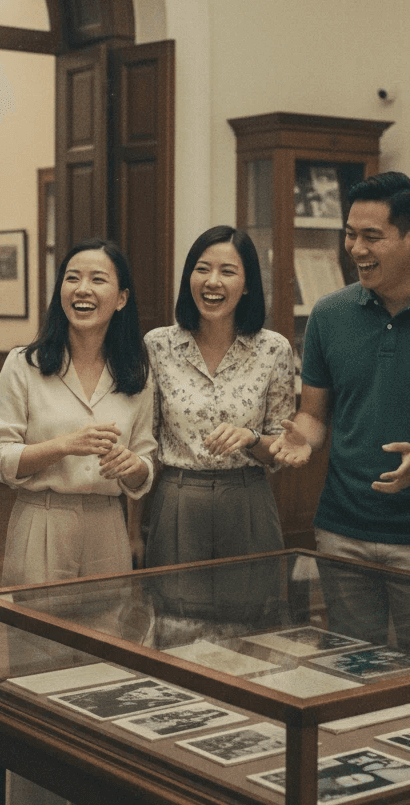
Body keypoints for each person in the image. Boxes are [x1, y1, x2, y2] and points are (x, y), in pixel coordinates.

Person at [271, 172, 410, 650]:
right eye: (349, 234)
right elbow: (314, 415)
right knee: (349, 666)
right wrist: (301, 438)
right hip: (342, 528)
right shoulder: (329, 314)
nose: (356, 248)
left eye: (372, 236)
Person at [0, 237, 156, 805]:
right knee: (38, 671)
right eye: (73, 278)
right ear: (61, 291)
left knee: (106, 669)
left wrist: (134, 467)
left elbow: (146, 462)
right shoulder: (25, 365)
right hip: (43, 520)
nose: (84, 290)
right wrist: (63, 445)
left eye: (99, 280)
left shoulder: (136, 372)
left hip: (108, 526)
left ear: (122, 298)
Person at [129, 225, 294, 581]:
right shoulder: (158, 345)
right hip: (177, 498)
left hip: (248, 499)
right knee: (176, 621)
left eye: (228, 271)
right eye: (202, 269)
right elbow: (143, 444)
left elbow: (282, 446)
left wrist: (250, 438)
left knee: (252, 618)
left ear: (248, 284)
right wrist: (132, 533)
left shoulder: (274, 349)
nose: (212, 281)